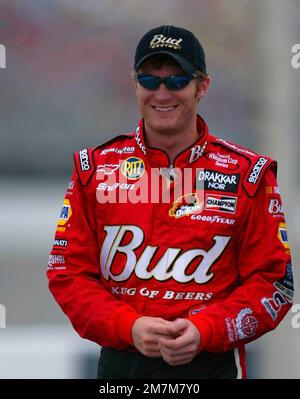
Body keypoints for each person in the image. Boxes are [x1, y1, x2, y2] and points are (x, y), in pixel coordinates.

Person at [47, 25, 293, 379]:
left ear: (202, 86)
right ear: (135, 85)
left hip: (211, 366)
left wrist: (205, 329)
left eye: (177, 81)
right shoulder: (95, 169)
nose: (162, 93)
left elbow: (275, 284)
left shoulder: (249, 175)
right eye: (150, 81)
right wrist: (128, 326)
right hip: (121, 367)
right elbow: (68, 274)